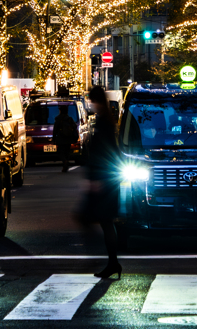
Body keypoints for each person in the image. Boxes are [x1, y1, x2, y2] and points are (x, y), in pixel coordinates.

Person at [80, 86, 121, 279]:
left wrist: (95, 179)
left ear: (96, 101)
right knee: (103, 220)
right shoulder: (106, 121)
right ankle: (111, 261)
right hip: (107, 179)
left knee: (94, 218)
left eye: (91, 100)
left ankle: (108, 259)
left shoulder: (103, 123)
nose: (90, 104)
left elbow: (103, 153)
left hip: (103, 180)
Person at [53, 107, 79, 172]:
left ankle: (64, 161)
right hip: (68, 138)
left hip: (60, 138)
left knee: (60, 151)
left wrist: (54, 138)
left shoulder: (58, 119)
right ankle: (66, 162)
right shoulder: (69, 119)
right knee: (67, 151)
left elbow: (55, 129)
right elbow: (74, 127)